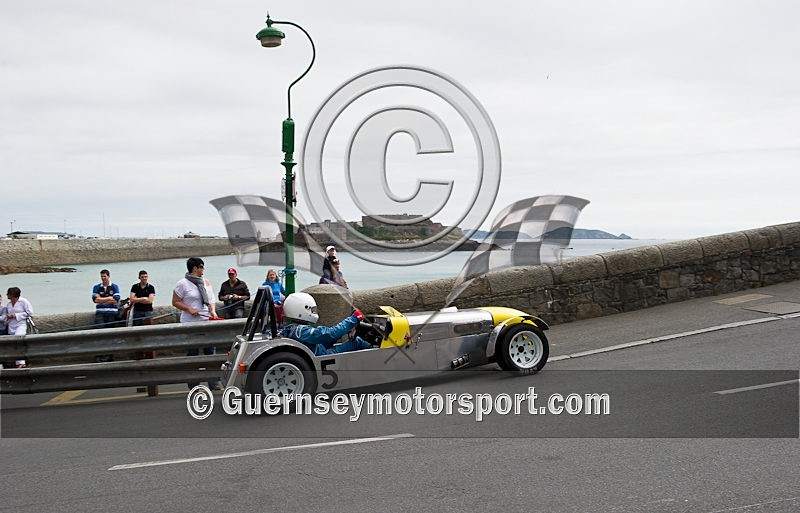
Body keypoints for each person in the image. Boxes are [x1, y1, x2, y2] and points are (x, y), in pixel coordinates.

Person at [172, 257, 221, 390]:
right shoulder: (182, 284)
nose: (203, 269)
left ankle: (214, 382)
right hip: (190, 322)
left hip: (206, 320)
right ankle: (194, 384)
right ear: (195, 268)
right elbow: (175, 301)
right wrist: (189, 309)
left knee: (210, 352)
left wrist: (212, 311)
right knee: (193, 353)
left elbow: (211, 299)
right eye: (201, 267)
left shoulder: (206, 282)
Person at [280, 292, 372, 355]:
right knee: (356, 342)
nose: (314, 312)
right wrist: (354, 319)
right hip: (322, 356)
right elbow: (328, 334)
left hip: (316, 350)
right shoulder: (300, 331)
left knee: (335, 338)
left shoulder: (291, 329)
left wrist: (339, 334)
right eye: (312, 309)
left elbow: (324, 338)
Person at [3, 287, 33, 367]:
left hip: (21, 324)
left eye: (8, 294)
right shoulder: (9, 304)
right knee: (14, 344)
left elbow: (29, 312)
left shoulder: (23, 301)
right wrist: (7, 318)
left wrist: (16, 315)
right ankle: (18, 362)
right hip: (11, 325)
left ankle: (21, 363)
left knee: (18, 339)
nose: (7, 295)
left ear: (13, 295)